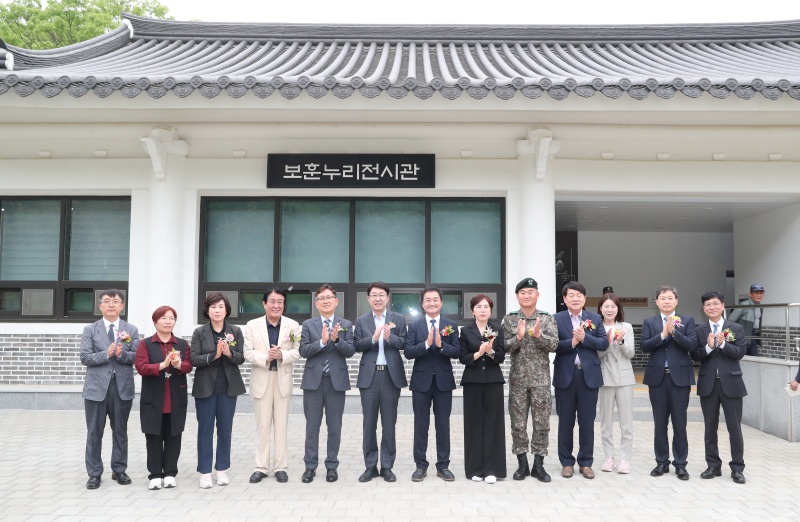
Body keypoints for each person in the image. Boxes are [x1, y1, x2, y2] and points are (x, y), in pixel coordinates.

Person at [80, 289, 140, 490]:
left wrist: (122, 355)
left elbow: (137, 357)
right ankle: (94, 473)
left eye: (115, 301)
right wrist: (106, 353)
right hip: (96, 388)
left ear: (122, 306)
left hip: (121, 387)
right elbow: (85, 357)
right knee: (94, 431)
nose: (111, 304)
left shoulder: (131, 330)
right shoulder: (90, 330)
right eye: (107, 301)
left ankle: (119, 469)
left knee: (120, 430)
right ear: (100, 306)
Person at [243, 288, 302, 484]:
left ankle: (280, 467)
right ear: (264, 303)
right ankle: (261, 467)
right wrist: (266, 357)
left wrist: (281, 355)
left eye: (280, 302)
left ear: (284, 304)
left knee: (281, 425)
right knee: (262, 425)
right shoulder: (252, 325)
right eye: (272, 301)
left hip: (282, 379)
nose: (276, 305)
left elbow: (297, 351)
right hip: (262, 378)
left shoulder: (293, 326)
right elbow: (247, 352)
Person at [299, 284, 355, 484]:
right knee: (312, 427)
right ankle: (310, 467)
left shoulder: (345, 323)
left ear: (336, 301)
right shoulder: (308, 324)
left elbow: (350, 351)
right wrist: (322, 342)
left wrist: (336, 340)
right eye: (321, 298)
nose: (326, 301)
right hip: (313, 382)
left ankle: (332, 466)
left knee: (335, 426)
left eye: (329, 297)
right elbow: (303, 351)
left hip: (336, 382)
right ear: (316, 303)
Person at [503, 277, 557, 482]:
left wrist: (538, 336)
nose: (526, 296)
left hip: (541, 381)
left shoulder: (547, 319)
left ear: (537, 295)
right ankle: (522, 464)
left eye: (530, 292)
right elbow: (505, 347)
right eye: (522, 292)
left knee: (541, 424)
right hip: (518, 381)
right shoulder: (510, 319)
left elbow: (555, 345)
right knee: (518, 424)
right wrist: (518, 337)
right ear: (517, 296)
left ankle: (539, 465)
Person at [640, 285, 697, 481]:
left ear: (676, 301)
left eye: (670, 298)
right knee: (660, 423)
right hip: (657, 378)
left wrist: (674, 333)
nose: (666, 301)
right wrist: (663, 335)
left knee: (680, 423)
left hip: (679, 379)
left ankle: (680, 464)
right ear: (657, 302)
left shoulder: (687, 320)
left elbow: (692, 345)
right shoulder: (650, 322)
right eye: (662, 298)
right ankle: (661, 462)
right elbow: (644, 345)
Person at [552, 281, 608, 479]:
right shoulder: (556, 319)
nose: (575, 299)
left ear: (584, 299)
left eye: (579, 295)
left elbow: (603, 343)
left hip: (588, 377)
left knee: (587, 422)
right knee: (565, 422)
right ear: (565, 299)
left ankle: (585, 462)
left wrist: (585, 338)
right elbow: (552, 345)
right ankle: (567, 462)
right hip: (565, 376)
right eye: (571, 295)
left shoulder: (595, 318)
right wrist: (572, 342)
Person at [404, 287, 461, 482]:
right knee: (421, 425)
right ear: (422, 304)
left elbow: (457, 352)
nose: (432, 303)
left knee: (443, 425)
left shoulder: (450, 325)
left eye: (435, 299)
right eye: (428, 300)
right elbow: (408, 352)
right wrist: (427, 344)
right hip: (421, 382)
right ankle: (420, 465)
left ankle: (443, 466)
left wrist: (441, 345)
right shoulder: (415, 325)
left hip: (443, 382)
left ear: (441, 302)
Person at [190, 292, 246, 489]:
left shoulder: (235, 331)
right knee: (205, 429)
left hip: (228, 388)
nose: (217, 310)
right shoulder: (199, 332)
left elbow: (241, 357)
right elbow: (194, 359)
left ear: (226, 310)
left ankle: (221, 469)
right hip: (205, 388)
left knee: (225, 429)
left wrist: (229, 353)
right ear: (207, 310)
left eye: (221, 307)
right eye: (213, 307)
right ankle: (205, 472)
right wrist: (214, 355)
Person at [354, 282, 408, 483]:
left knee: (389, 424)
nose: (378, 298)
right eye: (374, 295)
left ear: (387, 298)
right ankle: (370, 466)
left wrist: (389, 338)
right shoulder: (362, 320)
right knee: (368, 424)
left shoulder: (398, 319)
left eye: (381, 295)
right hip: (369, 377)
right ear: (368, 299)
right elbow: (356, 345)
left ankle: (387, 466)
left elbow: (404, 343)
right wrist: (373, 339)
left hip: (390, 376)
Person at [134, 306, 192, 490]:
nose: (168, 321)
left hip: (176, 397)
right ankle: (155, 475)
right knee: (153, 436)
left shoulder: (182, 344)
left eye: (172, 318)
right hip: (153, 398)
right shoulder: (146, 344)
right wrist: (162, 365)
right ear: (155, 322)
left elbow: (189, 366)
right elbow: (141, 367)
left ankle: (170, 473)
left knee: (174, 436)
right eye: (164, 318)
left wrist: (179, 364)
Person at [695, 291, 748, 484]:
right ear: (704, 308)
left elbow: (740, 352)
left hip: (731, 384)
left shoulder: (736, 328)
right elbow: (695, 355)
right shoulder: (699, 330)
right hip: (708, 384)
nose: (712, 307)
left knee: (735, 428)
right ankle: (713, 465)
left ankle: (737, 468)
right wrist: (709, 347)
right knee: (710, 428)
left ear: (723, 306)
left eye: (715, 303)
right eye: (708, 304)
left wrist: (723, 344)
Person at [459, 294, 506, 483]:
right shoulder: (466, 331)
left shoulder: (498, 329)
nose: (483, 310)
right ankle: (475, 469)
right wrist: (478, 353)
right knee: (473, 425)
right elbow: (463, 357)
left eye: (486, 307)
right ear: (472, 311)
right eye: (479, 307)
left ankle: (493, 469)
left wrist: (491, 351)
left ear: (491, 310)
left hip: (493, 381)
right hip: (472, 381)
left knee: (494, 425)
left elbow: (501, 357)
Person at [596, 293, 635, 474]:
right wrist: (606, 342)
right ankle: (609, 458)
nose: (610, 310)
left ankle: (625, 459)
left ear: (618, 309)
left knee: (626, 422)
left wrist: (621, 342)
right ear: (601, 309)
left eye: (613, 306)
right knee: (606, 422)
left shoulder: (626, 327)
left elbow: (631, 353)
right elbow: (595, 354)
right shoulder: (597, 327)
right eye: (606, 306)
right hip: (604, 378)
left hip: (624, 379)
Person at [727, 284, 765, 356]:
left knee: (756, 358)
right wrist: (730, 338)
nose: (759, 295)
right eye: (756, 293)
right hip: (743, 336)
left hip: (753, 335)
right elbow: (730, 321)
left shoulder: (760, 306)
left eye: (761, 293)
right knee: (742, 357)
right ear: (750, 294)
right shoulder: (744, 305)